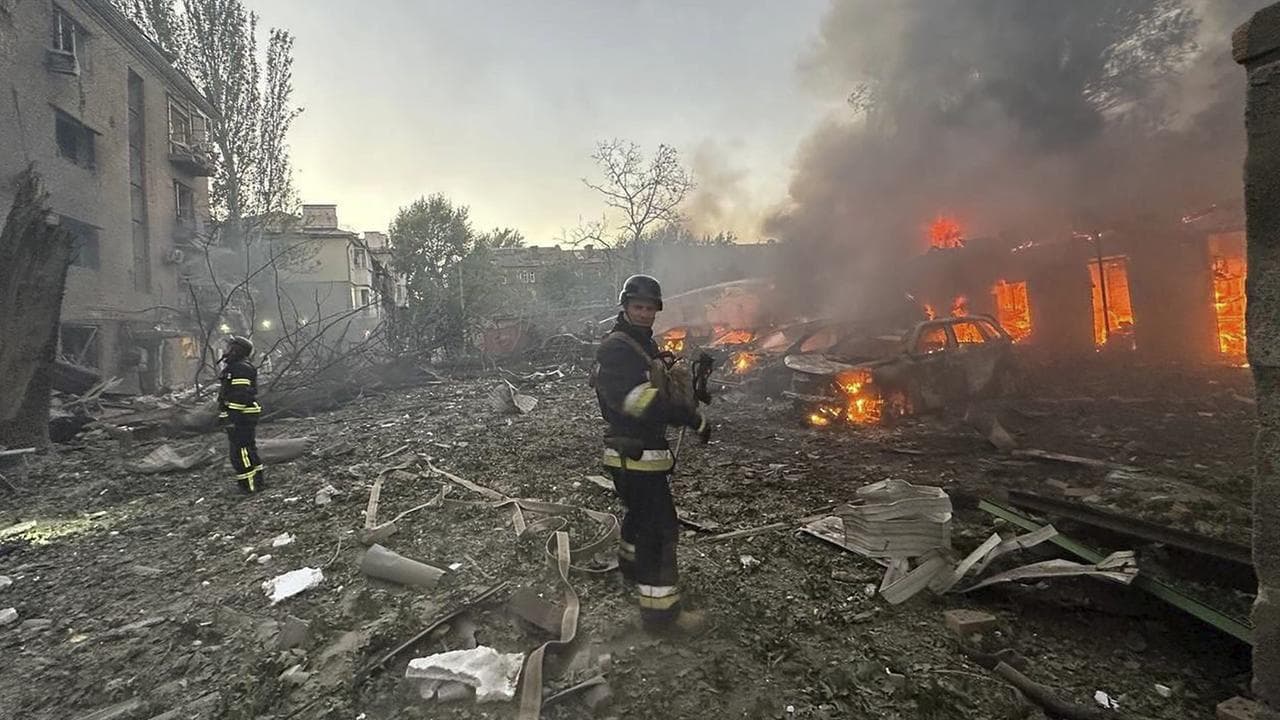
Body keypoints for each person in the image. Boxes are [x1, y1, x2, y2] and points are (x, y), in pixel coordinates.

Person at [593, 274, 712, 634]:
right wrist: (688, 416)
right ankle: (661, 616)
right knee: (659, 530)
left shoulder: (639, 343)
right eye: (638, 307)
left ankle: (631, 569)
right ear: (625, 307)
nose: (645, 313)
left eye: (650, 308)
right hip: (634, 453)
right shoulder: (618, 349)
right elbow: (638, 402)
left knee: (640, 515)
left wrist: (685, 389)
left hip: (638, 453)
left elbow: (656, 388)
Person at [217, 336, 265, 493]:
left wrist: (232, 418)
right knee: (246, 450)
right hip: (242, 415)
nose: (226, 350)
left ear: (236, 350)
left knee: (241, 452)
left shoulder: (240, 368)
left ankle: (249, 486)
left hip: (242, 416)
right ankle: (256, 482)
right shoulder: (237, 366)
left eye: (229, 347)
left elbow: (240, 395)